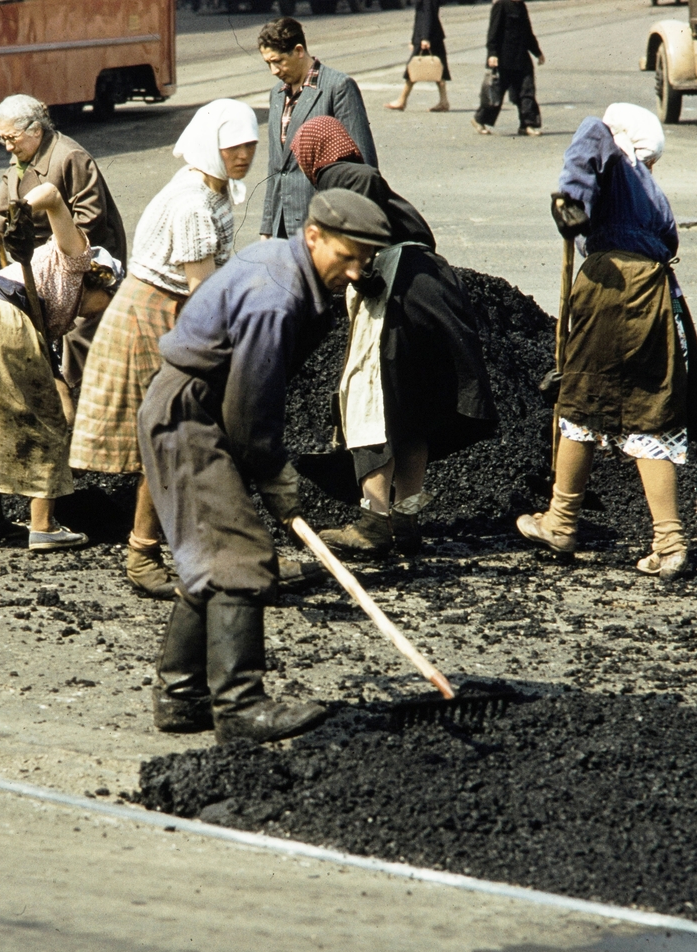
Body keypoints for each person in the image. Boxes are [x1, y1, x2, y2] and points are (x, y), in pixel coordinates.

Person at [140, 190, 389, 743]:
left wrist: (263, 464)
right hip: (190, 415)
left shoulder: (280, 259)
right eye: (345, 257)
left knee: (214, 553)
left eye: (364, 263)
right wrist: (276, 476)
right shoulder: (275, 296)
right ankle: (240, 708)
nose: (352, 274)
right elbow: (249, 408)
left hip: (196, 406)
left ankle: (181, 696)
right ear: (314, 236)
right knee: (240, 554)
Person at [69, 100, 259, 595]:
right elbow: (203, 292)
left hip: (171, 312)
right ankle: (142, 555)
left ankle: (194, 545)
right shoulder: (193, 203)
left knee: (179, 436)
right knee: (167, 437)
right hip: (151, 318)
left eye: (250, 144)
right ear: (209, 146)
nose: (244, 154)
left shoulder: (213, 190)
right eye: (233, 145)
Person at [518, 103, 697, 582]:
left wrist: (572, 199)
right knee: (647, 411)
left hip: (611, 290)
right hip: (654, 298)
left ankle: (560, 523)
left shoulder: (611, 147)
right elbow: (667, 242)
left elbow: (590, 137)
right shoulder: (652, 191)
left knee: (579, 402)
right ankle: (669, 541)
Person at [0, 185, 123, 552]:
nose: (101, 312)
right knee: (44, 419)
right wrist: (22, 212)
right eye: (107, 302)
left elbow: (57, 378)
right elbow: (52, 195)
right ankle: (43, 526)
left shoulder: (50, 308)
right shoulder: (77, 258)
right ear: (101, 280)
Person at [314, 218, 497, 559]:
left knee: (369, 402)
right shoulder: (385, 194)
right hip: (432, 283)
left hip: (392, 281)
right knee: (413, 411)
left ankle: (373, 523)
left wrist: (363, 272)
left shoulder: (337, 170)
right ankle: (406, 521)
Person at [0, 95, 127, 393]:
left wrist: (53, 254)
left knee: (78, 336)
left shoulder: (69, 157)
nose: (8, 147)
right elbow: (9, 186)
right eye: (3, 140)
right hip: (43, 264)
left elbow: (90, 217)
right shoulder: (23, 155)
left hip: (85, 264)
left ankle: (81, 393)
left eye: (12, 138)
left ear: (36, 130)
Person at [257, 17, 378, 241]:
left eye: (278, 61)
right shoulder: (277, 94)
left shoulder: (337, 87)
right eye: (268, 64)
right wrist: (267, 228)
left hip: (325, 225)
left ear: (299, 50)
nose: (274, 70)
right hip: (283, 228)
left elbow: (364, 166)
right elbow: (276, 166)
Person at [290, 115, 436, 249]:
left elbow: (367, 177)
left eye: (299, 157)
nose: (301, 165)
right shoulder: (335, 177)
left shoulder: (340, 175)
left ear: (310, 152)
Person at [473, 0, 543, 137]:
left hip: (522, 58)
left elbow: (528, 33)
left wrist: (537, 53)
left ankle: (527, 124)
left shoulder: (521, 6)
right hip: (504, 59)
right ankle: (479, 120)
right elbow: (493, 32)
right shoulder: (501, 5)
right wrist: (492, 54)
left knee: (527, 91)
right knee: (496, 93)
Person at [385, 0, 450, 114]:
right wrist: (413, 38)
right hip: (431, 35)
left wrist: (424, 38)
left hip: (428, 37)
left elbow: (428, 15)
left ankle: (402, 100)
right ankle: (444, 101)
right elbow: (421, 17)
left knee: (413, 68)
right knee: (438, 69)